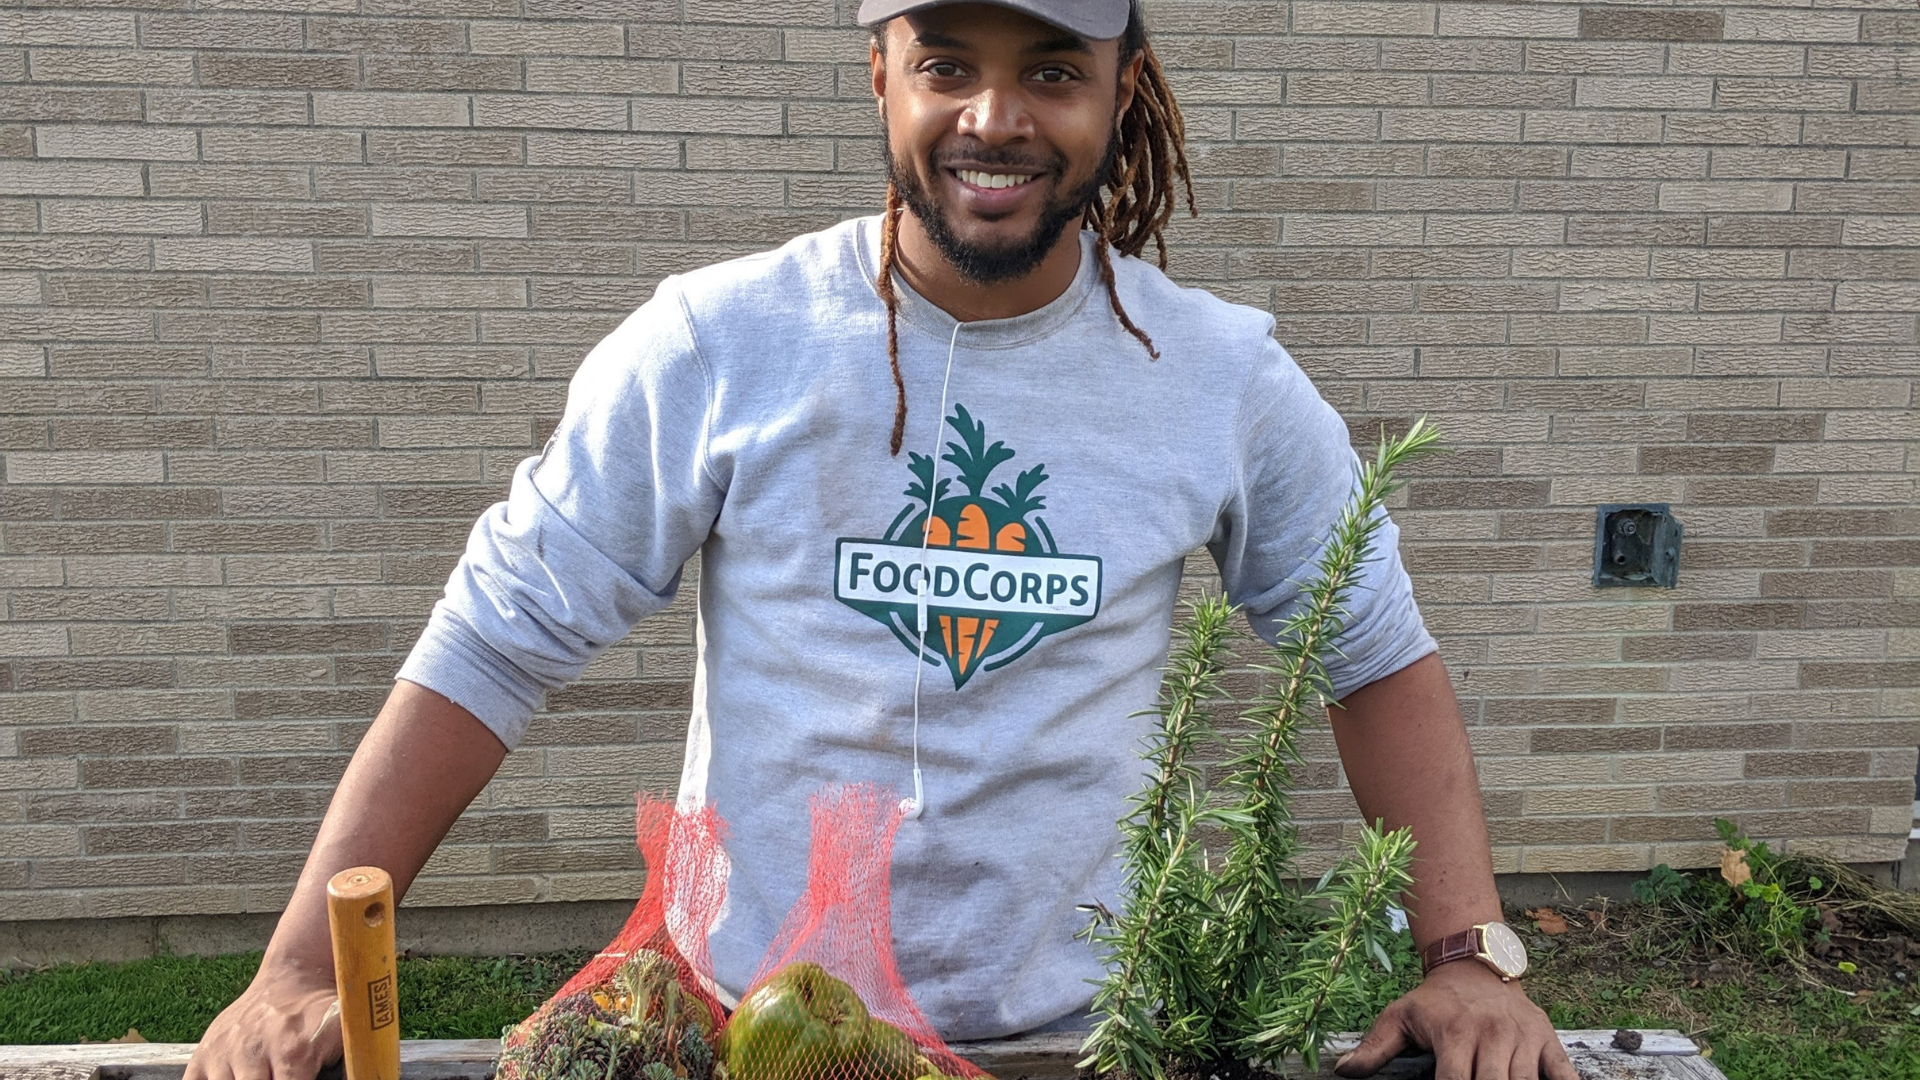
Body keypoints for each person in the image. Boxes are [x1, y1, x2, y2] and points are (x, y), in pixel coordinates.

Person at [186, 2, 1576, 1079]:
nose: (996, 116)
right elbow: (497, 636)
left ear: (1119, 91)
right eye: (947, 63)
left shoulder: (1220, 378)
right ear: (881, 78)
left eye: (1050, 69)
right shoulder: (722, 344)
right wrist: (301, 963)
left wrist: (1470, 959)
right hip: (756, 1033)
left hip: (1090, 1038)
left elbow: (1377, 652)